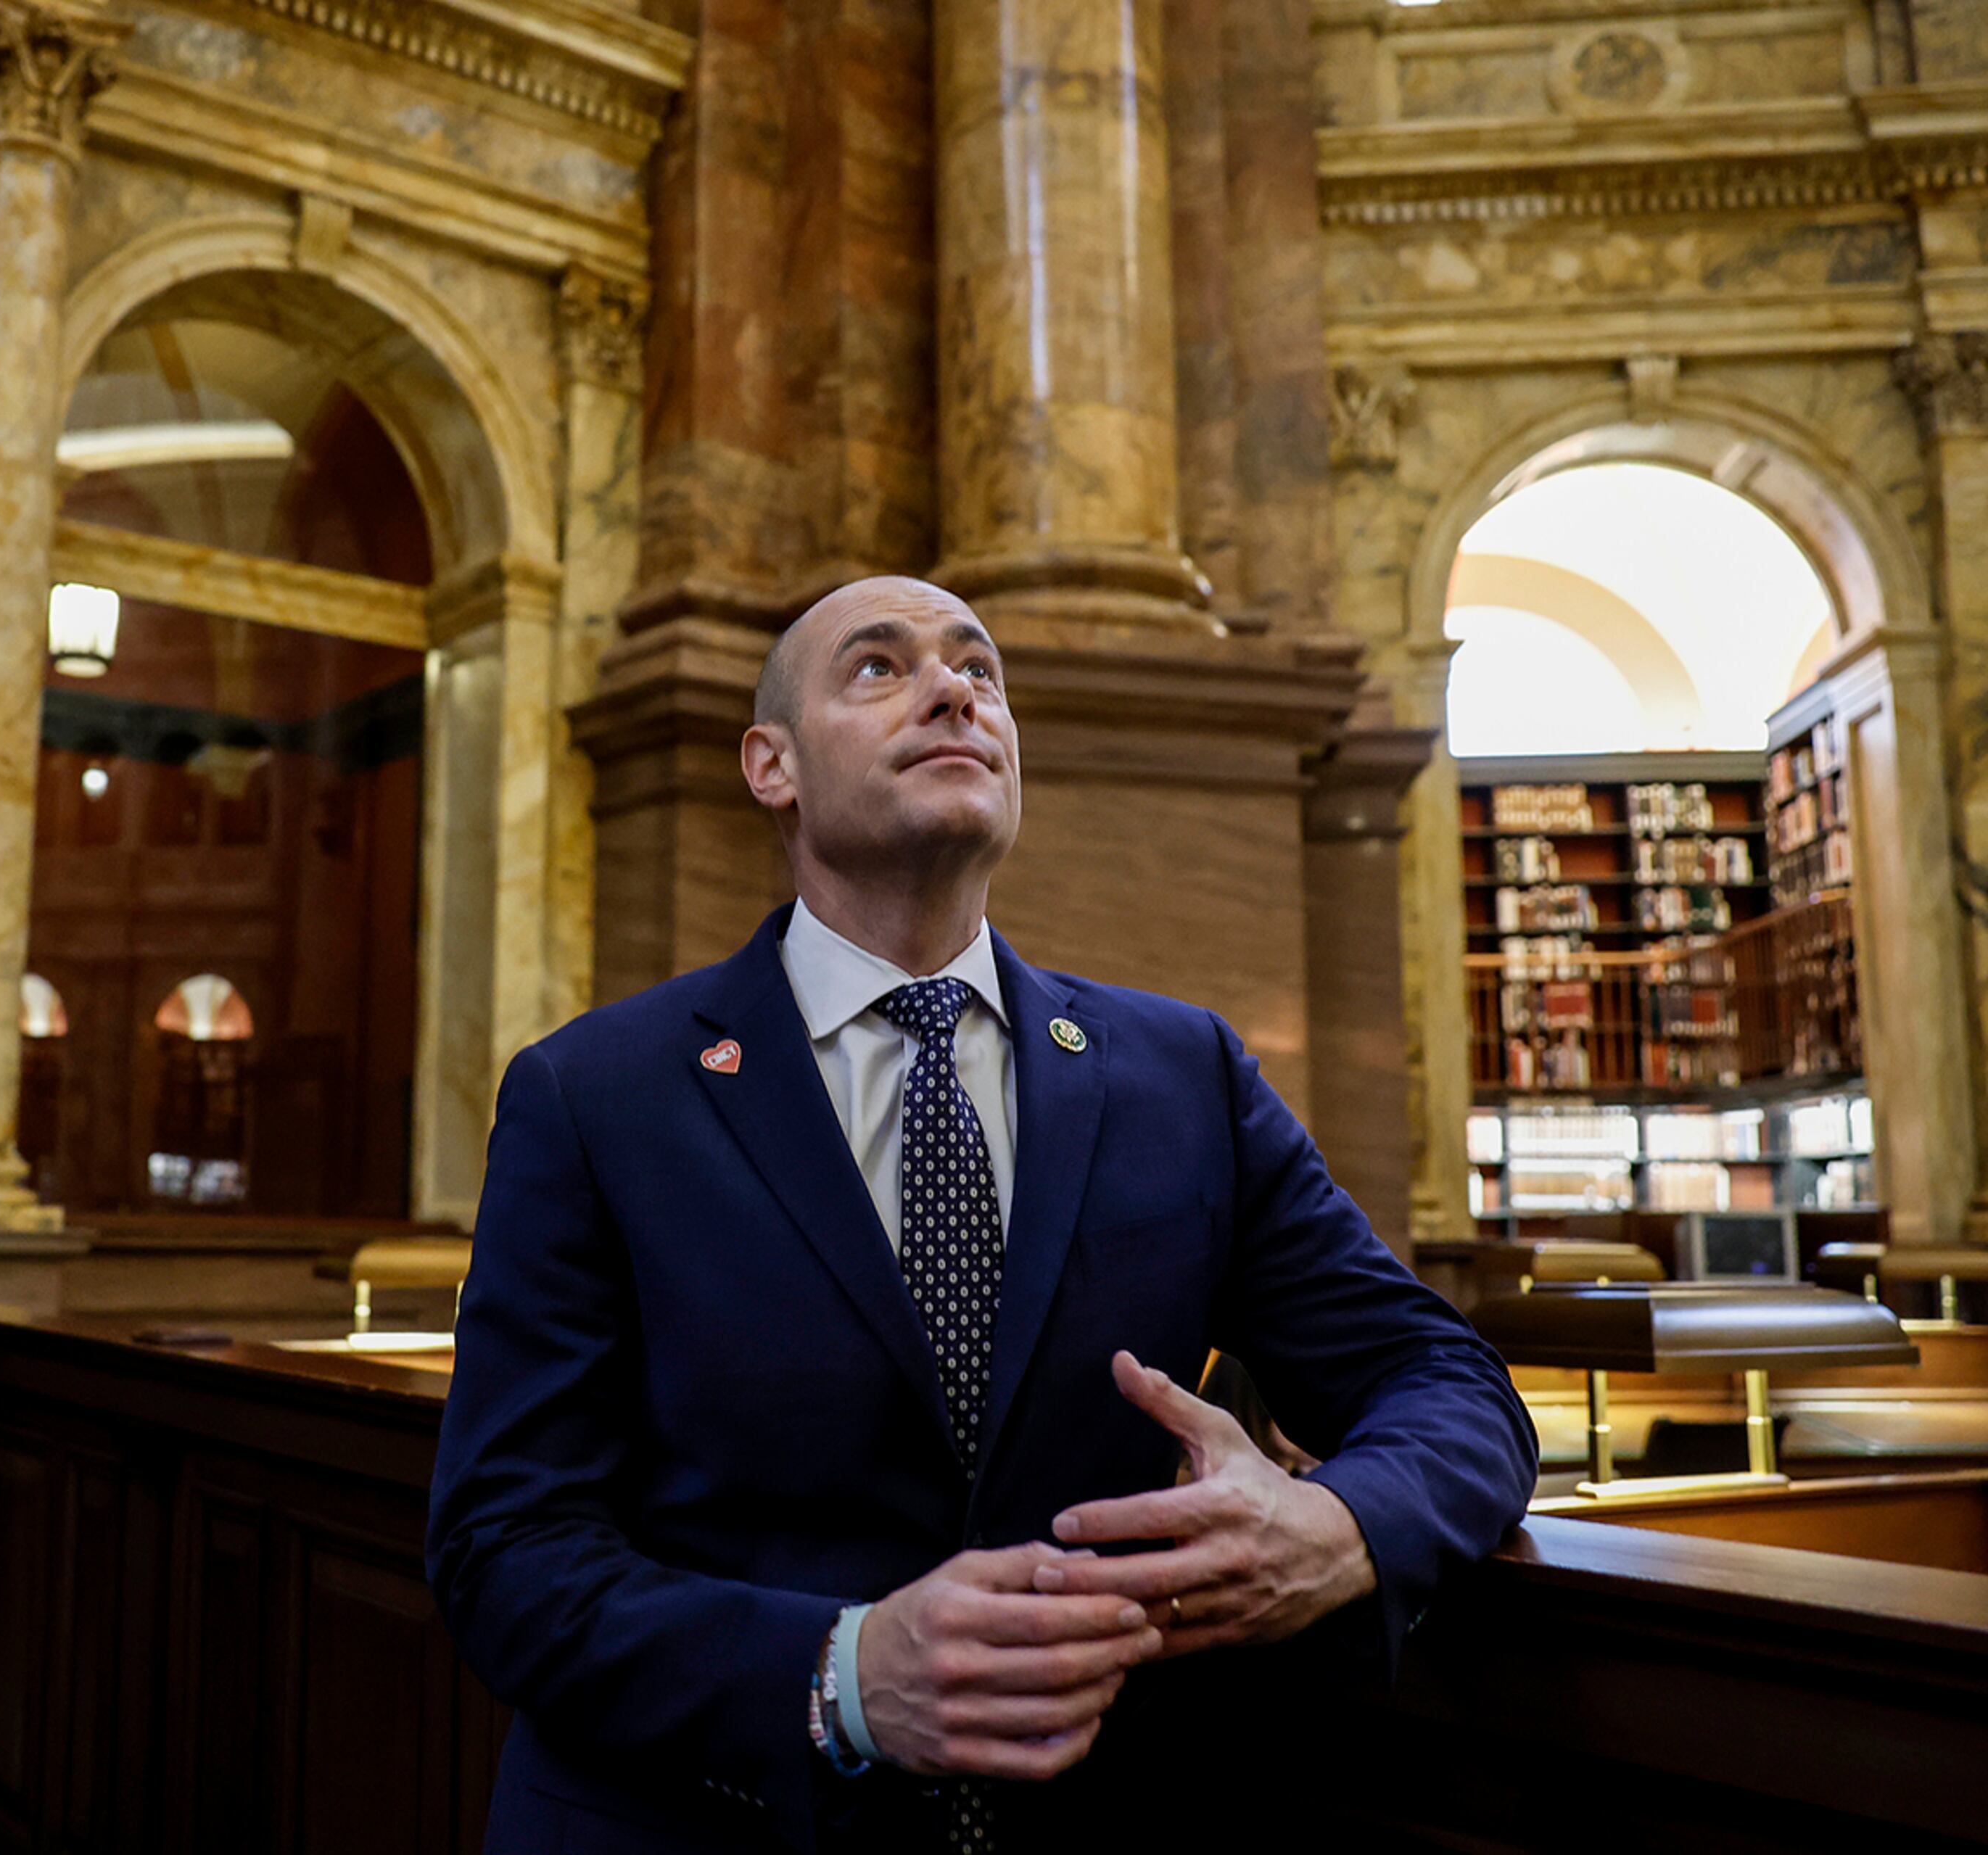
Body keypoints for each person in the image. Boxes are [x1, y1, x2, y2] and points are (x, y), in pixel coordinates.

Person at [426, 577, 1541, 1851]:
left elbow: (1444, 1377)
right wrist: (840, 1674)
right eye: (879, 667)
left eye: (979, 669)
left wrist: (1341, 1525)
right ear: (770, 763)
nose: (955, 688)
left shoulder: (1182, 1073)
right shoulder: (595, 1094)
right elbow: (503, 1547)